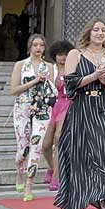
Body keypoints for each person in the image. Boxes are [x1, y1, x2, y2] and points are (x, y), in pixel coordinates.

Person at [57, 19, 105, 209]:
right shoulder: (75, 54)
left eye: (103, 30)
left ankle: (104, 197)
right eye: (96, 29)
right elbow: (70, 84)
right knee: (81, 153)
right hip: (82, 108)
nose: (100, 33)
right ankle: (81, 197)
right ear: (89, 32)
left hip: (104, 108)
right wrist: (94, 76)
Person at [8, 33, 57, 201]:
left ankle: (30, 183)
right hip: (23, 107)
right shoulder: (20, 65)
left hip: (42, 109)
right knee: (23, 147)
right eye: (35, 45)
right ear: (30, 47)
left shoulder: (49, 67)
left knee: (36, 145)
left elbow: (53, 89)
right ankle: (20, 170)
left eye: (41, 45)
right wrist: (35, 81)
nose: (38, 48)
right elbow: (13, 90)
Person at [41, 40, 74, 192]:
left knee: (58, 138)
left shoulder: (72, 69)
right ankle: (52, 167)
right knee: (46, 145)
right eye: (60, 54)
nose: (63, 57)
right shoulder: (51, 69)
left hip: (68, 104)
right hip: (54, 106)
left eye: (66, 54)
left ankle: (57, 177)